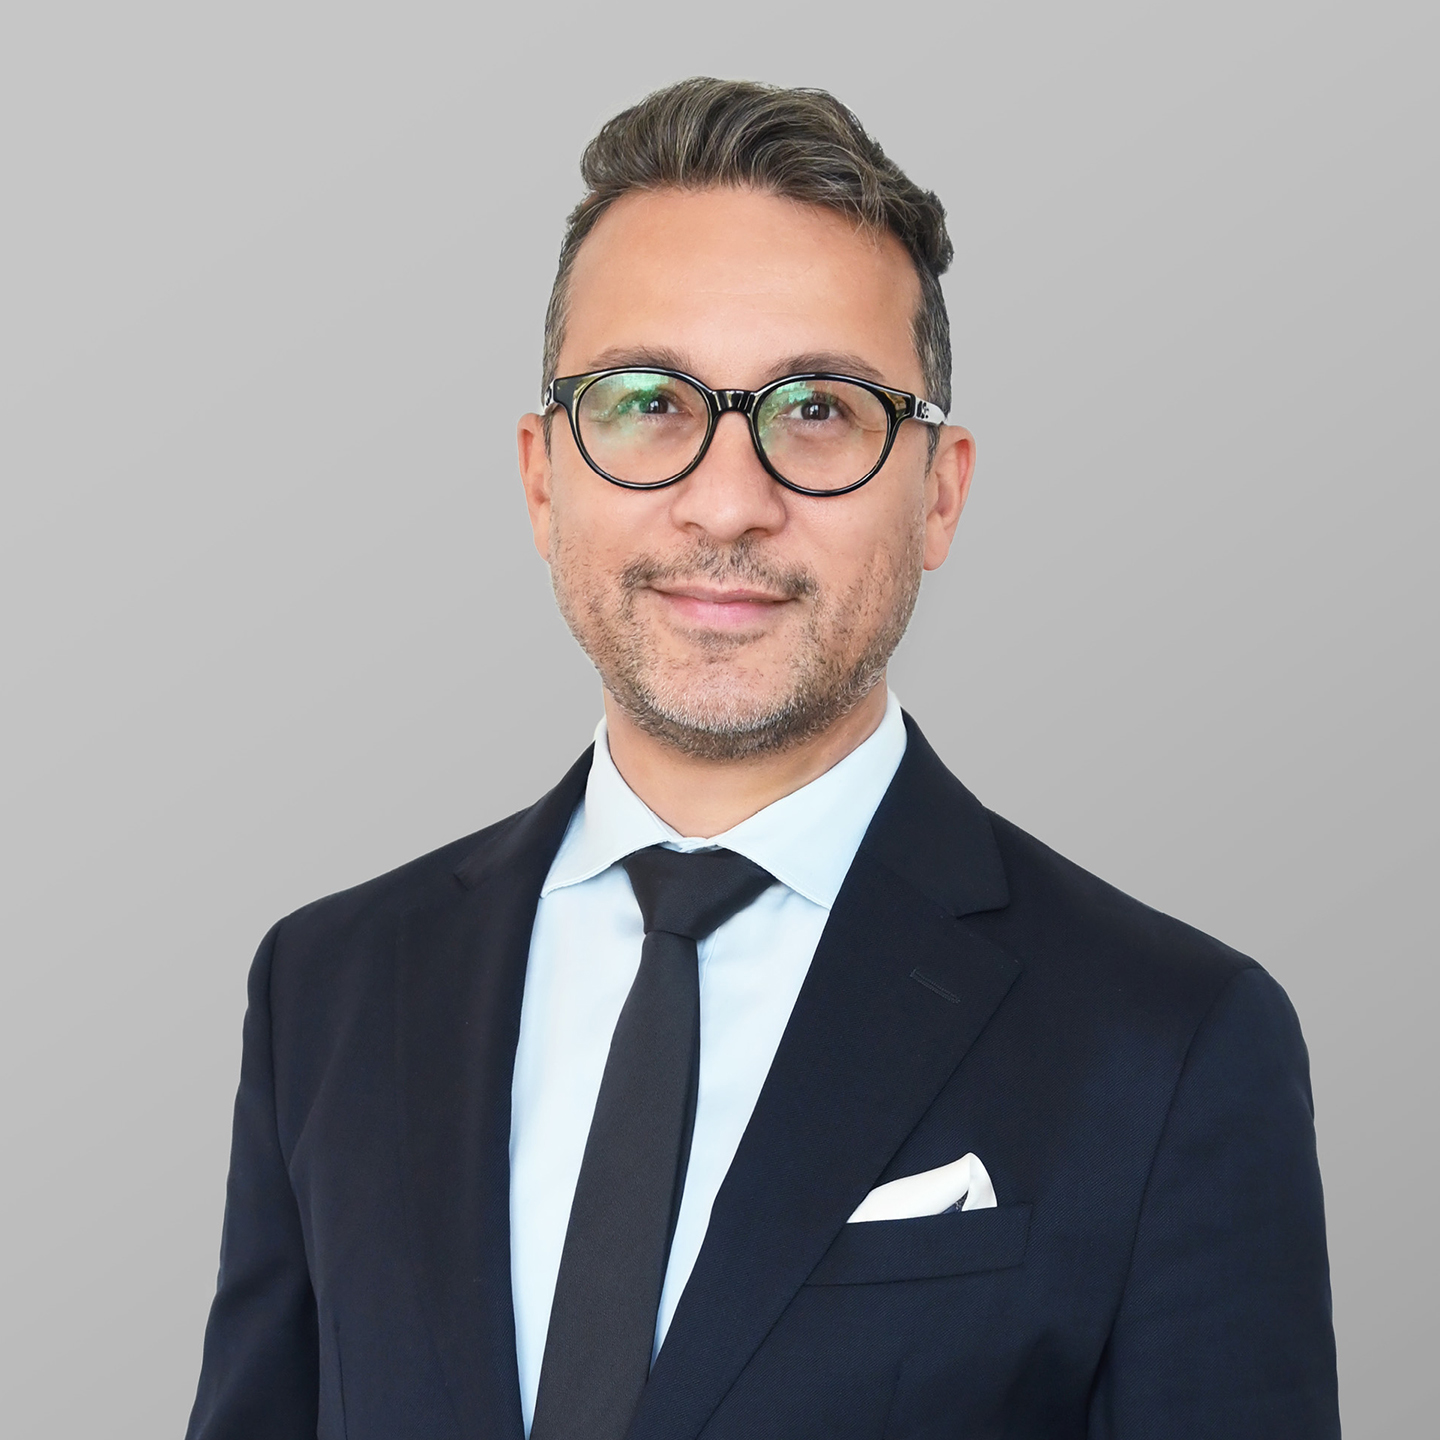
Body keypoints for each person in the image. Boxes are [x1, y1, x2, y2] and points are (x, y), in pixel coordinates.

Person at [185, 78, 1340, 1440]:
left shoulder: (1172, 1045)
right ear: (542, 476)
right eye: (645, 401)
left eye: (820, 412)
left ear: (941, 493)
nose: (728, 502)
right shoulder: (330, 990)